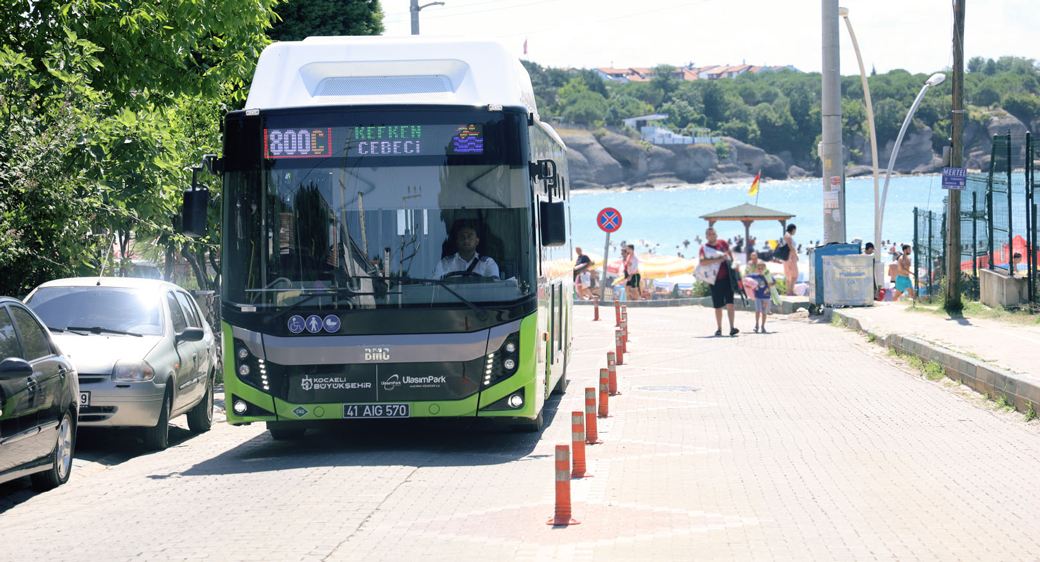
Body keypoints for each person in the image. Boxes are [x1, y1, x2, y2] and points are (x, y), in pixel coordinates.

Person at [699, 227, 738, 336]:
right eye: (710, 234)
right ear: (706, 236)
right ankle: (719, 328)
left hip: (728, 278)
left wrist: (734, 260)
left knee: (730, 303)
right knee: (718, 306)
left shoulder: (723, 243)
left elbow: (730, 252)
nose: (712, 236)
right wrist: (718, 259)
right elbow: (702, 261)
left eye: (713, 233)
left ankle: (732, 328)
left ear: (716, 234)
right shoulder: (704, 248)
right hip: (714, 280)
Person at [433, 225, 499, 279]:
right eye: (462, 237)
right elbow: (435, 285)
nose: (466, 240)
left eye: (469, 237)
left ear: (477, 241)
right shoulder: (445, 263)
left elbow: (495, 286)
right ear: (457, 242)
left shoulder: (488, 263)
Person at [747, 261, 775, 332]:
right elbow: (746, 278)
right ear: (757, 268)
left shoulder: (768, 276)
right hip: (758, 296)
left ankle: (763, 326)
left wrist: (771, 284)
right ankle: (756, 325)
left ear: (765, 269)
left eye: (762, 268)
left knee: (764, 312)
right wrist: (748, 286)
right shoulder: (755, 276)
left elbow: (775, 281)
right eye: (759, 268)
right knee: (758, 310)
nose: (760, 270)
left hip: (766, 297)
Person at [782, 224, 798, 296]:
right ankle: (790, 291)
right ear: (793, 229)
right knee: (795, 274)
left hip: (788, 257)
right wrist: (795, 255)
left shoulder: (786, 236)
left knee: (789, 274)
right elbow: (790, 246)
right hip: (790, 257)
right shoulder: (788, 236)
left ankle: (789, 291)